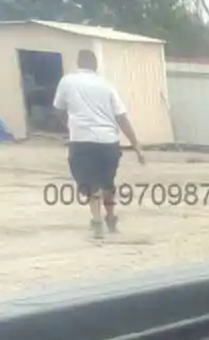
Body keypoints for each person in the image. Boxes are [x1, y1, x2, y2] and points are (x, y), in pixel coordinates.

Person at [53, 50, 145, 240]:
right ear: (95, 65)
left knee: (89, 182)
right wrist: (136, 145)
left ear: (78, 63)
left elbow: (58, 109)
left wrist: (69, 124)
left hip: (82, 140)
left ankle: (97, 221)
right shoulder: (107, 85)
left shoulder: (67, 81)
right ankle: (110, 219)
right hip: (108, 142)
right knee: (107, 183)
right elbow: (122, 117)